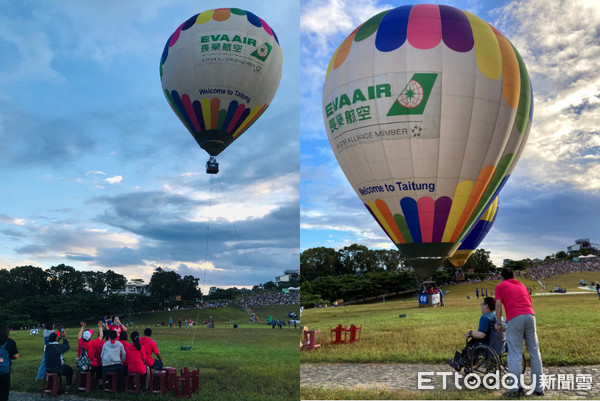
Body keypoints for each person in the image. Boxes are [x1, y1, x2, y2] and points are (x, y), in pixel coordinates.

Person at [495, 267, 543, 396]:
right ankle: (538, 388)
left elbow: (498, 305)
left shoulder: (500, 286)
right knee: (534, 351)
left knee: (515, 354)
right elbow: (528, 302)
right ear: (514, 276)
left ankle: (516, 388)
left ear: (502, 277)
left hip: (515, 317)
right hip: (530, 316)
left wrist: (499, 323)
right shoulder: (521, 285)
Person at [447, 297, 505, 371]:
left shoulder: (485, 317)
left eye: (482, 304)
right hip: (500, 345)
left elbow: (481, 335)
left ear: (486, 306)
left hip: (487, 345)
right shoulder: (500, 317)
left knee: (469, 344)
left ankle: (461, 363)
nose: (481, 306)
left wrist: (470, 333)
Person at [0, 324, 19, 401]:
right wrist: (9, 356)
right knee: (4, 390)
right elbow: (16, 356)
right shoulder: (11, 342)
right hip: (5, 370)